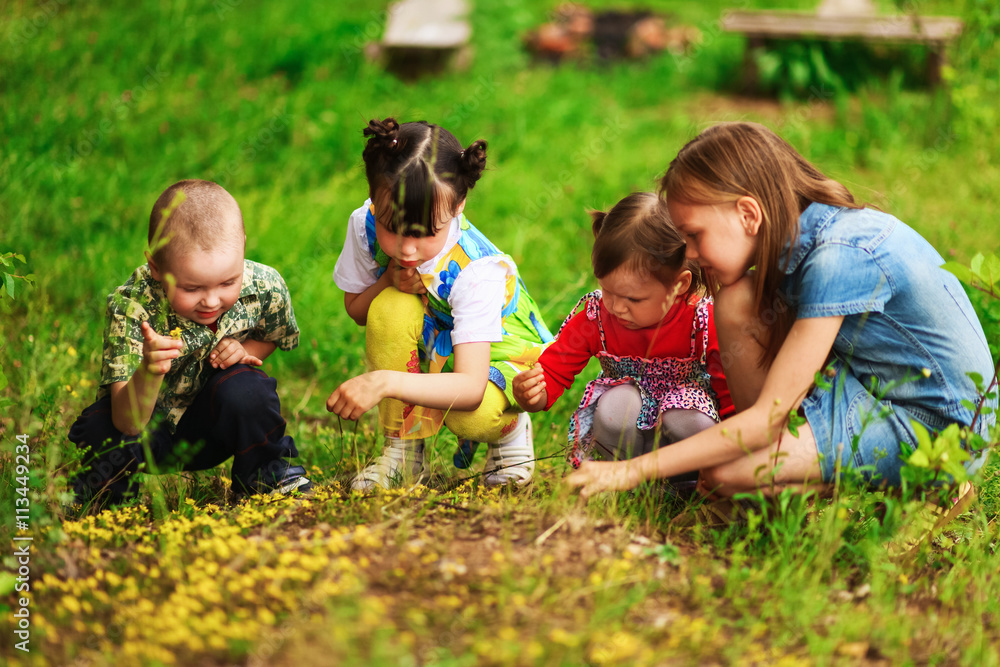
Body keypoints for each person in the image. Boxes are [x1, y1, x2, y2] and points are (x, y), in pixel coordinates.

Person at [566, 122, 994, 501]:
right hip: (873, 387)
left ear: (748, 213)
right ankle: (786, 480)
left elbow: (768, 417)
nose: (692, 255)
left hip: (938, 427)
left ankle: (917, 488)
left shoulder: (837, 257)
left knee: (726, 474)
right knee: (736, 301)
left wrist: (631, 469)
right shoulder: (800, 240)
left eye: (694, 236)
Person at [328, 118, 554, 491]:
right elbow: (357, 311)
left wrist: (383, 381)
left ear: (459, 205)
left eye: (424, 233)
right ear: (373, 198)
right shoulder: (363, 223)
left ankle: (510, 433)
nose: (406, 248)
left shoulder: (476, 271)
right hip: (436, 344)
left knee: (472, 416)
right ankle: (404, 451)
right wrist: (387, 280)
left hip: (495, 356)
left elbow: (469, 387)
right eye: (391, 227)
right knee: (389, 305)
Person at [69, 179, 310, 507]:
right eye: (192, 288)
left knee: (251, 389)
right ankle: (107, 499)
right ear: (156, 267)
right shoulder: (132, 307)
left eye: (228, 282)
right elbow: (128, 422)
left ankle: (265, 474)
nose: (211, 300)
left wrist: (245, 351)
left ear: (243, 247)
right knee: (100, 426)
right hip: (148, 431)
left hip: (214, 427)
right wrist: (149, 371)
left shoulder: (265, 286)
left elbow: (270, 338)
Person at [512, 193, 733, 473]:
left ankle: (688, 481)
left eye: (633, 299)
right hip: (626, 431)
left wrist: (739, 453)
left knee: (688, 417)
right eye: (607, 290)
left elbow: (729, 395)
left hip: (686, 432)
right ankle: (623, 480)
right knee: (616, 407)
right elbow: (555, 371)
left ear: (679, 286)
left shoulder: (704, 322)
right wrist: (532, 394)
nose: (616, 306)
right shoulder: (597, 317)